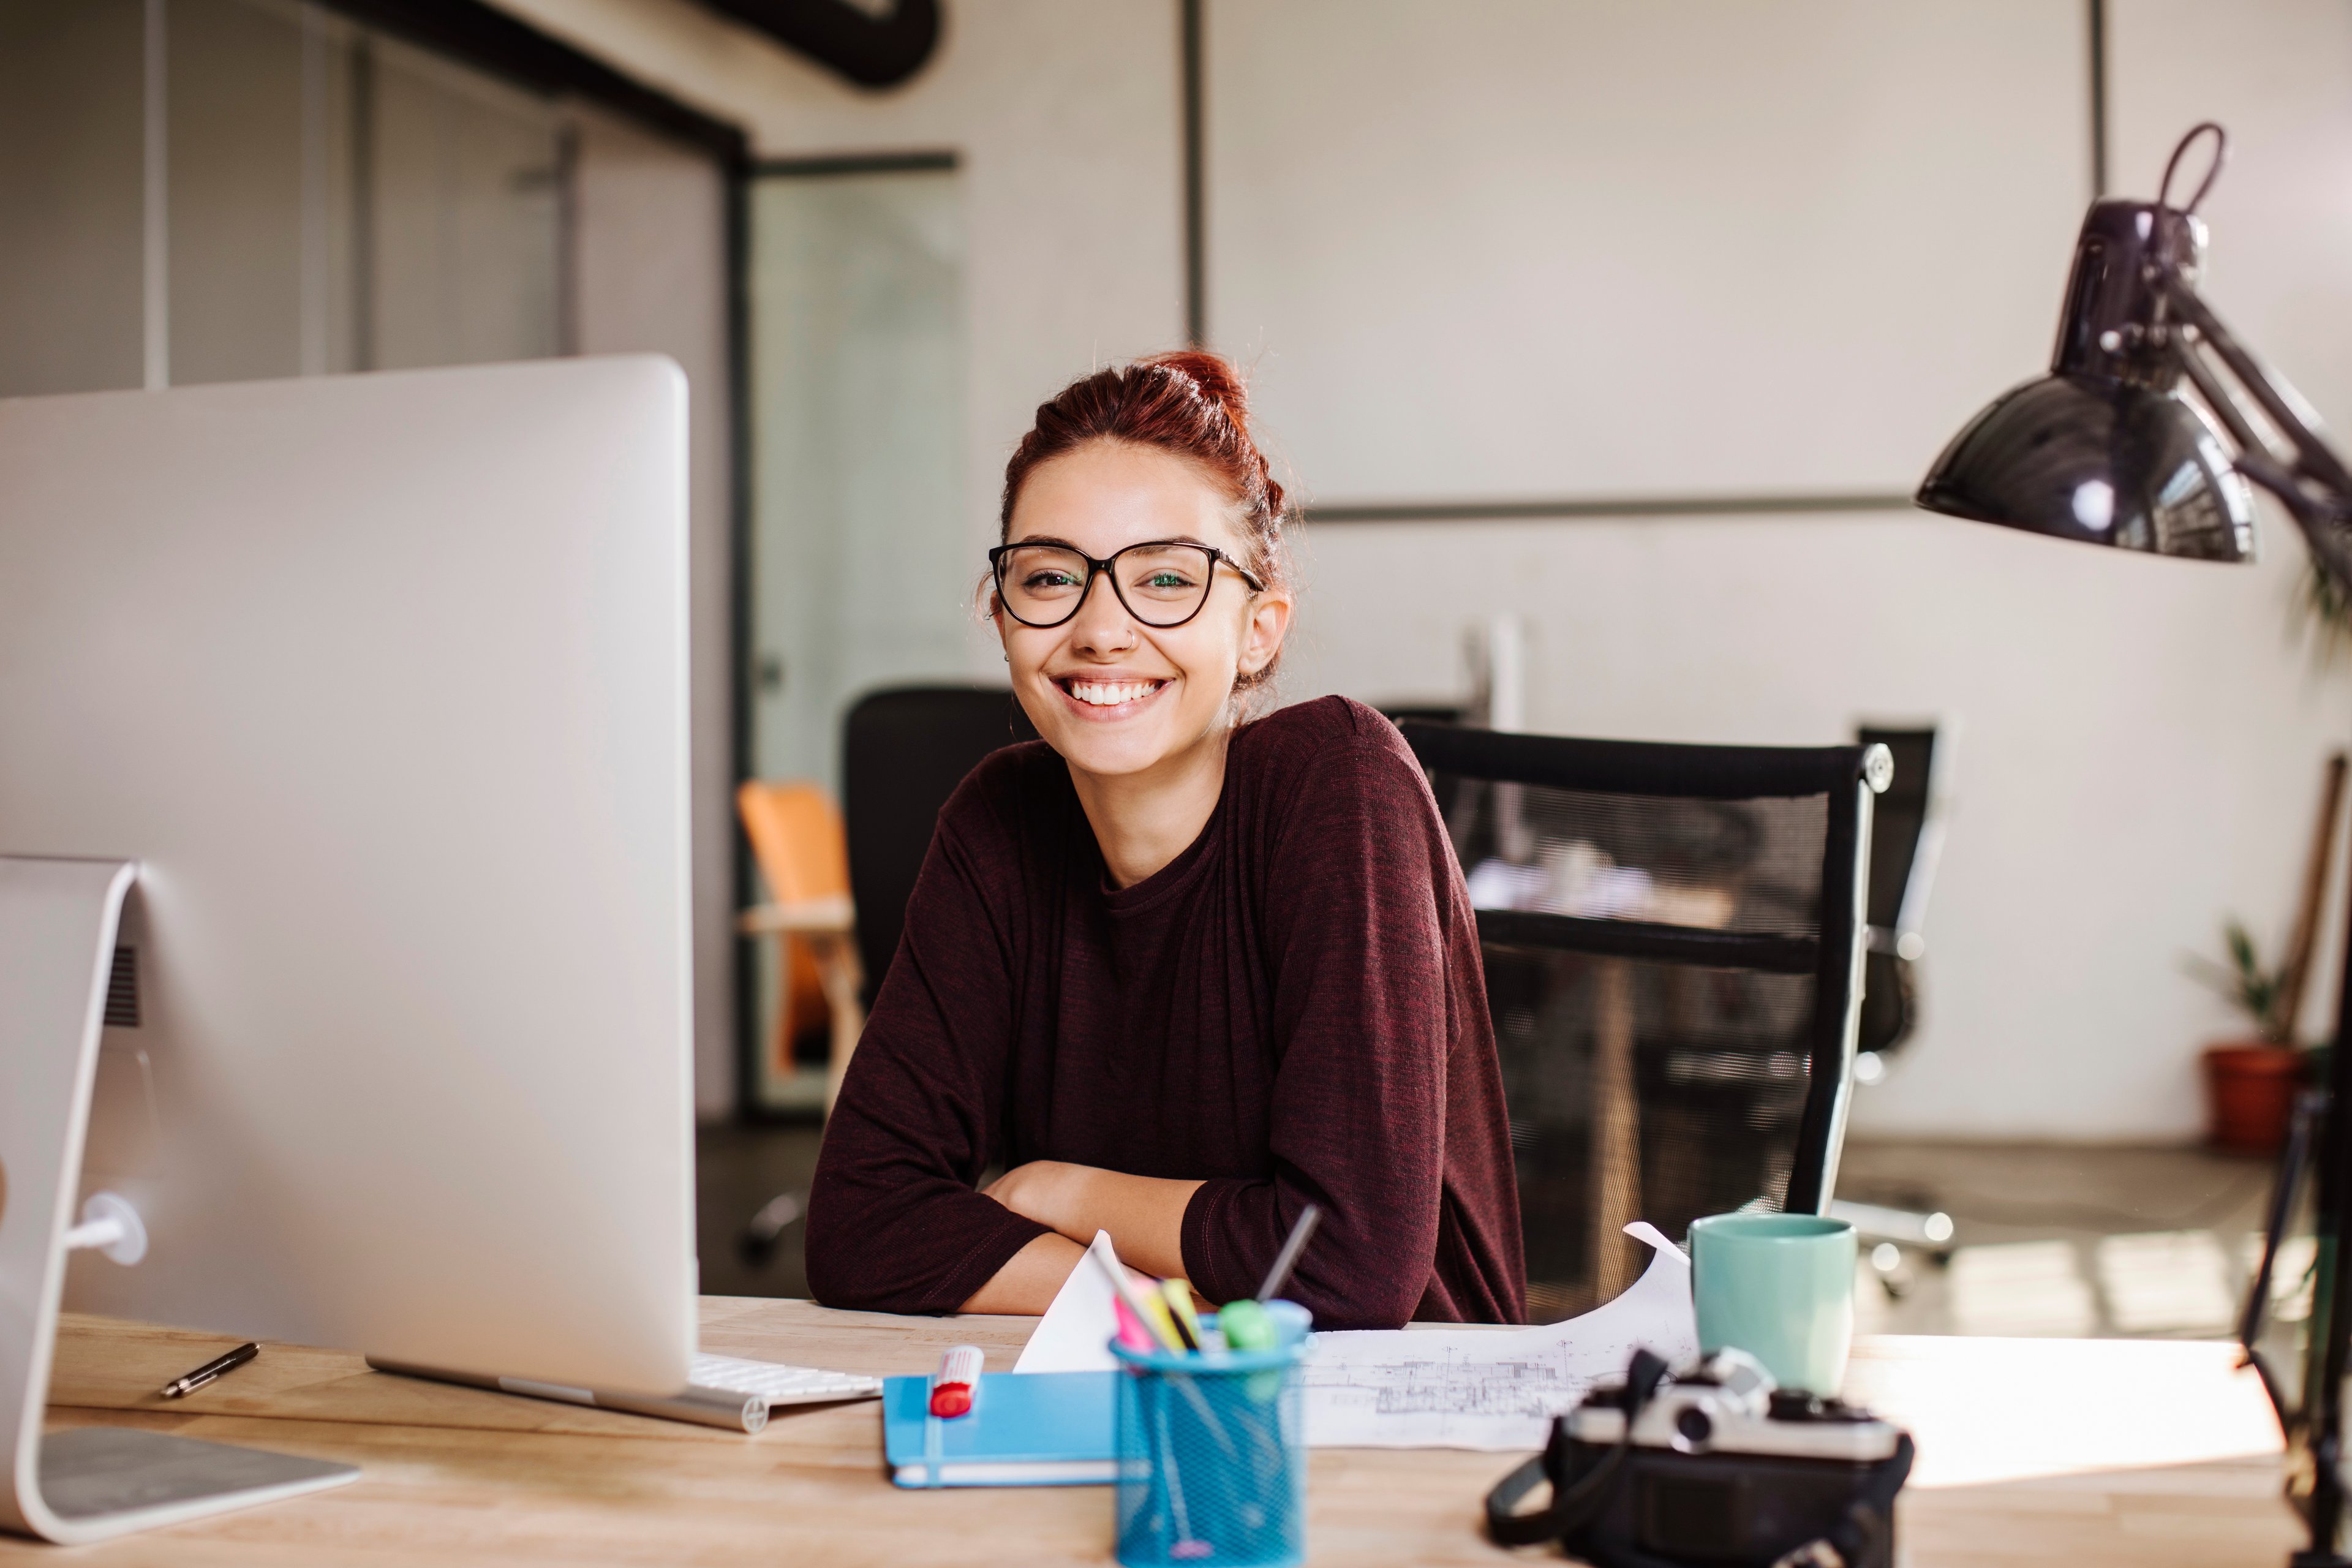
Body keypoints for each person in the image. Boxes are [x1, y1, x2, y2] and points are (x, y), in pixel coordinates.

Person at [804, 352, 1525, 1329]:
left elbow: (1346, 1273)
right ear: (1001, 613)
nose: (1102, 630)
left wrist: (1055, 1193)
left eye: (1167, 580)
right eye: (1052, 576)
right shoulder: (999, 820)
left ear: (1261, 630)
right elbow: (860, 1223)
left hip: (1398, 1422)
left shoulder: (1337, 781)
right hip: (1130, 1392)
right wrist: (1141, 1317)